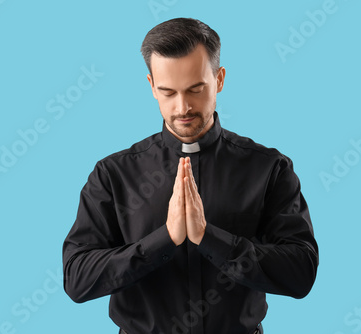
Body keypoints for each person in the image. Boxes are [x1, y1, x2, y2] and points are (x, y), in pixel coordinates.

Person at [62, 17, 318, 334]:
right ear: (151, 86)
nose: (182, 107)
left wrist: (209, 238)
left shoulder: (268, 168)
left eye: (196, 89)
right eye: (168, 92)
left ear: (219, 79)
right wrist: (162, 240)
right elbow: (76, 279)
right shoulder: (113, 174)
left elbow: (301, 273)